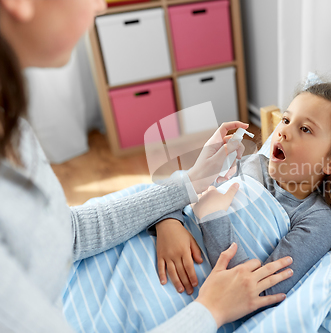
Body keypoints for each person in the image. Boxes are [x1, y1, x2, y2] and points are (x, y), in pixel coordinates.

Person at [0, 0, 293, 332]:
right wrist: (210, 311)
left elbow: (66, 231)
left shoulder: (11, 126)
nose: (100, 6)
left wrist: (189, 185)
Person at [154, 80, 331, 298]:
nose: (283, 131)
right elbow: (179, 185)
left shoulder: (315, 219)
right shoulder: (251, 164)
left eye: (305, 129)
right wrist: (168, 222)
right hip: (155, 247)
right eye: (286, 120)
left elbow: (262, 290)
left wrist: (212, 217)